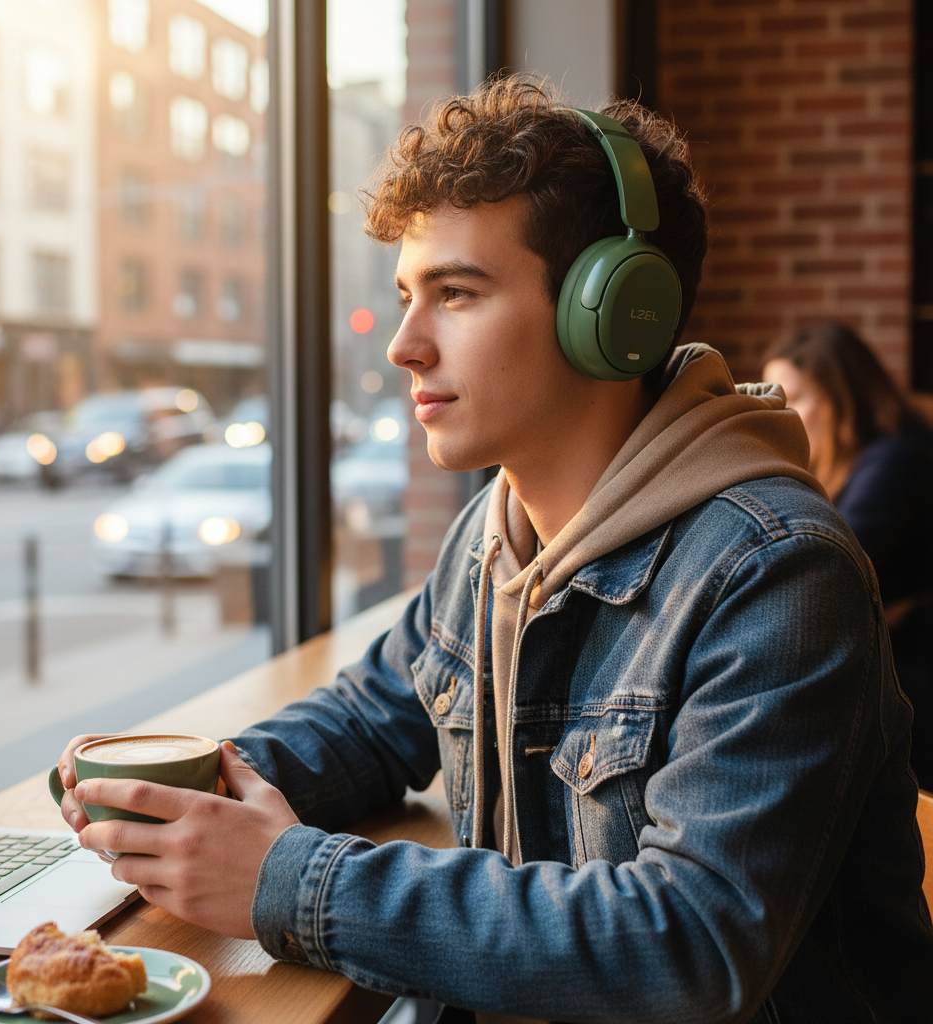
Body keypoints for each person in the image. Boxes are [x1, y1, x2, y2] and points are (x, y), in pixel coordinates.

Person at [55, 77, 933, 1023]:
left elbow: (691, 943)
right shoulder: (496, 530)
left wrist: (290, 879)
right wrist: (179, 794)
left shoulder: (774, 571)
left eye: (456, 294)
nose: (402, 346)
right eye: (406, 296)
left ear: (611, 314)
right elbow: (372, 717)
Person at [763, 324, 933, 790]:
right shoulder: (846, 466)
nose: (781, 416)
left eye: (794, 398)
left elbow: (817, 570)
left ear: (843, 396)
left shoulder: (895, 459)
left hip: (912, 681)